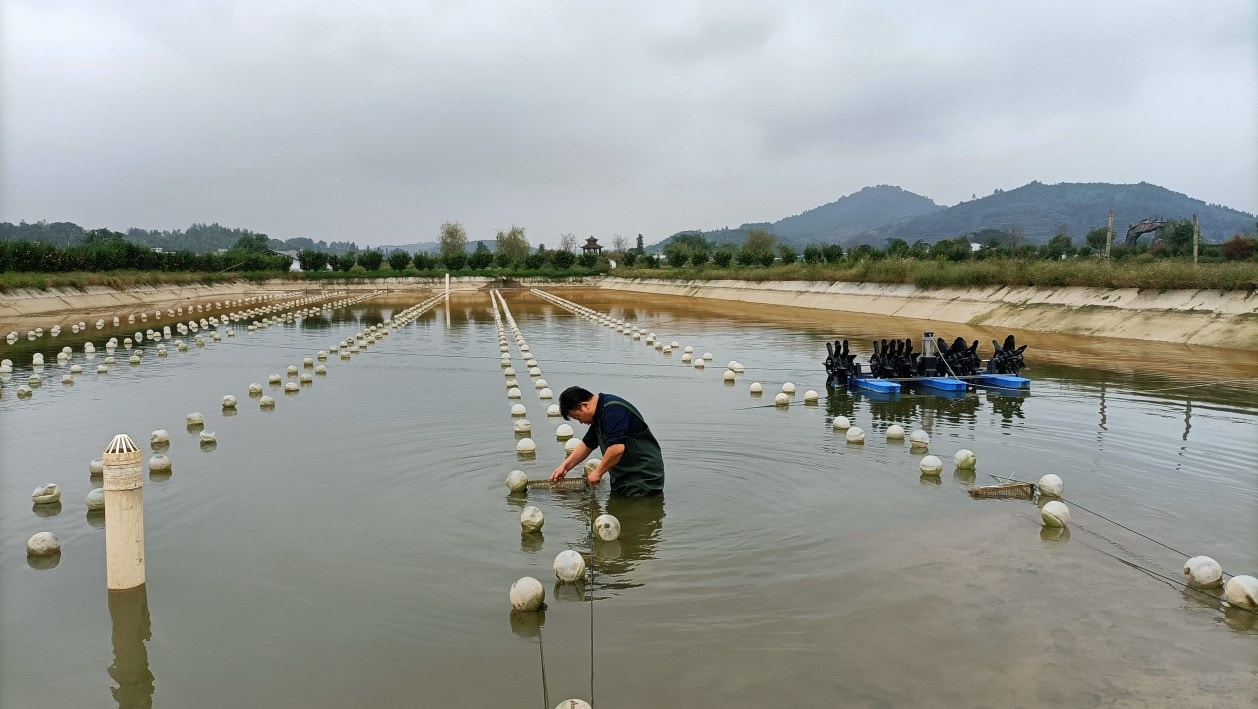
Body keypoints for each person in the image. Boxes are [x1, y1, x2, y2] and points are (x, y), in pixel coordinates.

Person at [549, 386, 664, 497]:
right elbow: (587, 444)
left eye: (578, 417)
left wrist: (598, 473)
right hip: (624, 478)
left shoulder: (613, 412)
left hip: (642, 479)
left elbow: (617, 449)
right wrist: (564, 467)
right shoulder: (600, 413)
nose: (581, 422)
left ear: (584, 406)